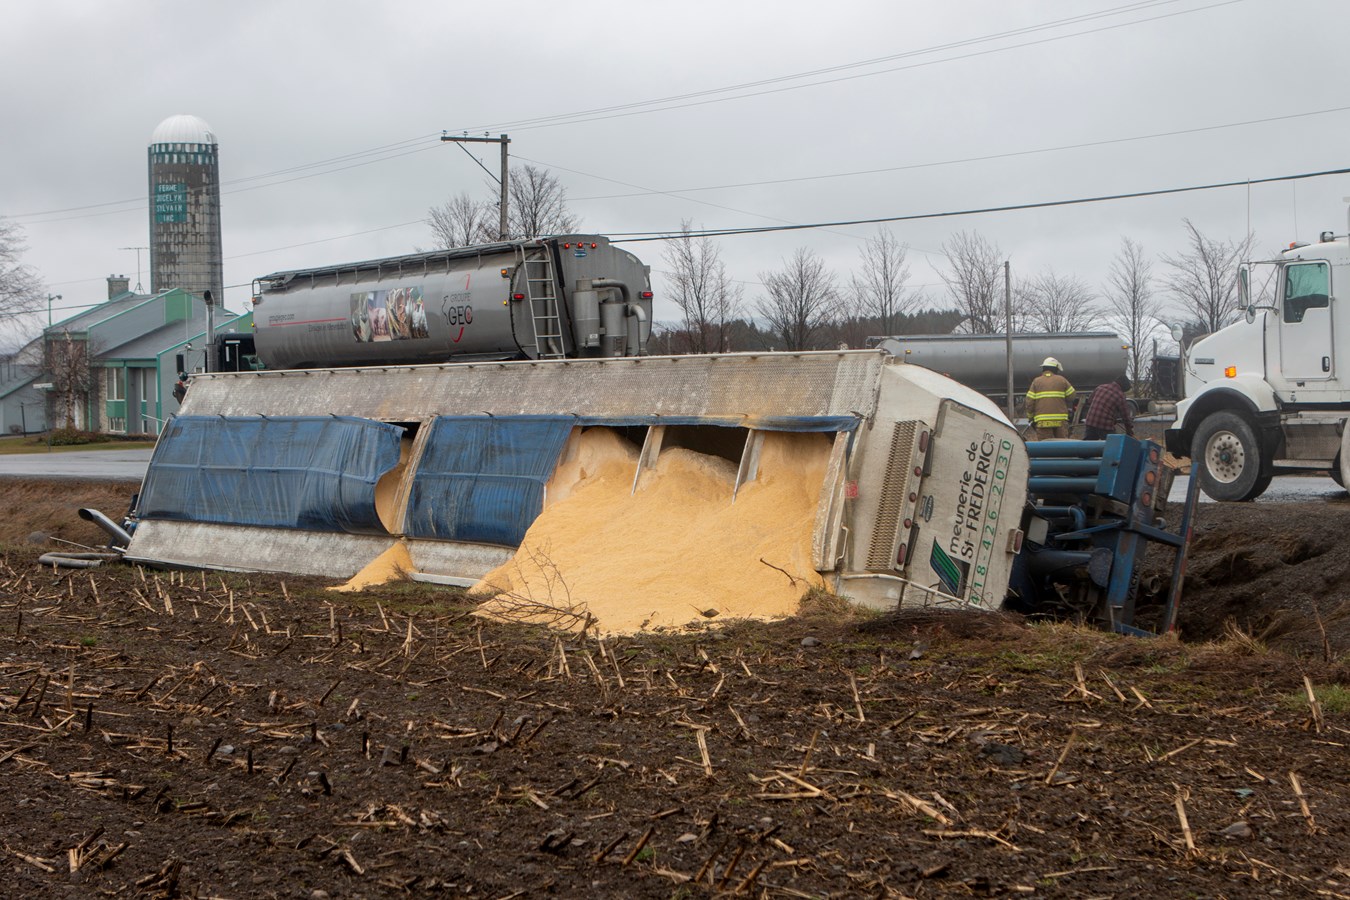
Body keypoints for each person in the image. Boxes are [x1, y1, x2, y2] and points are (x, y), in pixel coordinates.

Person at [1026, 357, 1075, 440]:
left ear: (1044, 369)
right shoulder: (1062, 380)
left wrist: (1030, 417)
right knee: (1063, 447)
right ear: (1055, 369)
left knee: (1045, 447)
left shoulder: (1036, 381)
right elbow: (1072, 396)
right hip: (1060, 421)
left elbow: (1029, 402)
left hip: (1042, 421)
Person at [1083, 374, 1135, 440]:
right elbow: (1126, 417)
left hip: (1090, 422)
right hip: (1104, 425)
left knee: (1088, 445)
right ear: (1123, 387)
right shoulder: (1120, 395)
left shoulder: (1100, 387)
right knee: (1113, 444)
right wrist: (1129, 431)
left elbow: (1090, 401)